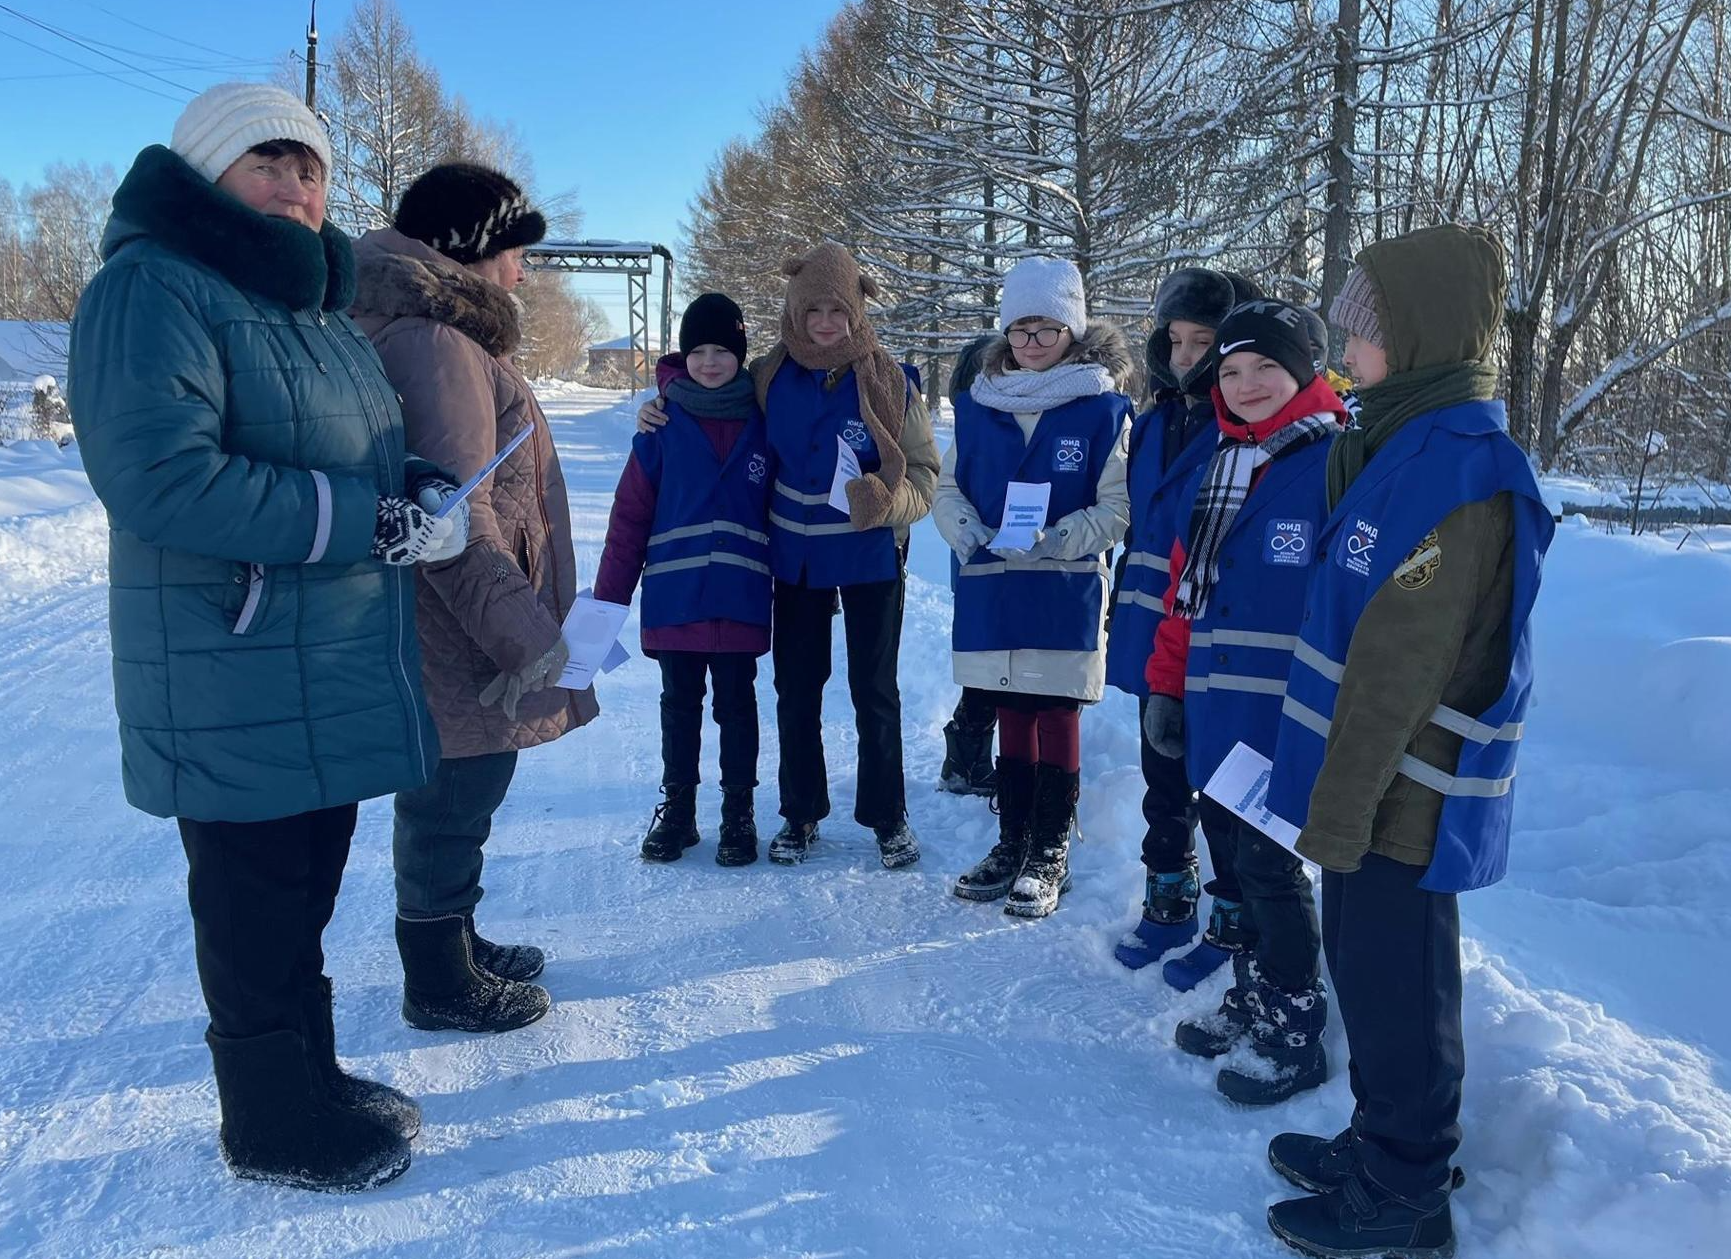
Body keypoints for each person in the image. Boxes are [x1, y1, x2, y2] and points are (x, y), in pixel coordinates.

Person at [68, 83, 463, 1191]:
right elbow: (161, 477)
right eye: (268, 163)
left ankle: (313, 1075)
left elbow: (359, 455)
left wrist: (419, 491)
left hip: (322, 656)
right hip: (229, 660)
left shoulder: (313, 311)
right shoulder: (150, 287)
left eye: (312, 169)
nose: (297, 186)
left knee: (306, 887)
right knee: (250, 899)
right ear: (207, 174)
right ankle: (266, 1120)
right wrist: (358, 521)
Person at [1263, 225, 1553, 1259]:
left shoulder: (1460, 470)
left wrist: (1337, 811)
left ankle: (1407, 1185)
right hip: (1370, 785)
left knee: (1399, 979)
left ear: (1422, 338)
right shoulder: (1401, 441)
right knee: (1366, 964)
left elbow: (1401, 665)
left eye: (1365, 333)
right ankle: (1379, 1137)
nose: (1347, 350)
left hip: (1407, 791)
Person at [350, 162, 599, 1035]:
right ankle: (438, 979)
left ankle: (454, 938)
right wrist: (524, 635)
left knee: (455, 792)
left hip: (446, 621)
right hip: (458, 628)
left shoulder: (426, 328)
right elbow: (456, 511)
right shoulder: (435, 343)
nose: (522, 272)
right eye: (513, 253)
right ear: (466, 248)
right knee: (456, 791)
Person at [639, 243, 940, 869]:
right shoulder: (770, 377)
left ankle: (888, 817)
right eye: (812, 311)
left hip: (869, 560)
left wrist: (889, 503)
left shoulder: (892, 380)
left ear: (857, 311)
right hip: (794, 561)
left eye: (838, 309)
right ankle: (801, 814)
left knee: (873, 691)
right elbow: (706, 387)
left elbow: (925, 475)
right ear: (794, 313)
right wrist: (661, 398)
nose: (825, 322)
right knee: (797, 690)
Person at [1143, 299, 1349, 1105]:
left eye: (1266, 366)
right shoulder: (1224, 461)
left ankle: (1294, 1025)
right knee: (1233, 861)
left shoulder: (1333, 460)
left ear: (1305, 372)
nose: (1248, 382)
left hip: (1285, 714)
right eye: (1231, 370)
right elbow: (1180, 595)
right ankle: (1256, 989)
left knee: (1270, 866)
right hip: (1214, 706)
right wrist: (1165, 686)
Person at [935, 257, 1133, 917]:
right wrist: (966, 530)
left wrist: (1056, 538)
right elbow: (946, 488)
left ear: (1071, 331)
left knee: (1056, 712)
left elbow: (1117, 508)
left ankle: (1049, 851)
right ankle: (1010, 842)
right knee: (1010, 712)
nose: (1031, 342)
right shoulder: (976, 407)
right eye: (1020, 328)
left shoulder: (1104, 410)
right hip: (992, 584)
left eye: (1046, 328)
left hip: (1061, 586)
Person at [1105, 267, 1265, 978]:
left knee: (1222, 780)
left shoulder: (1248, 433)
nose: (1184, 354)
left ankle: (1235, 908)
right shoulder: (1151, 423)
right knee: (1161, 774)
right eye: (1174, 339)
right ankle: (1168, 895)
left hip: (1215, 634)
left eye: (1202, 340)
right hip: (1150, 630)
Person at [595, 293, 771, 866]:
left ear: (741, 355)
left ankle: (738, 811)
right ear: (684, 354)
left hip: (741, 595)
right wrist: (606, 605)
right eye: (699, 350)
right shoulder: (660, 426)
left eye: (723, 350)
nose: (711, 362)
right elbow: (628, 520)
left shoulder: (764, 424)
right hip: (677, 597)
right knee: (679, 706)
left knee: (738, 707)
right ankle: (678, 809)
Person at [935, 332, 1003, 797]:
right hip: (983, 555)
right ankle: (967, 759)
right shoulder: (980, 429)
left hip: (981, 558)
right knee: (991, 662)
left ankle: (966, 757)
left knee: (992, 660)